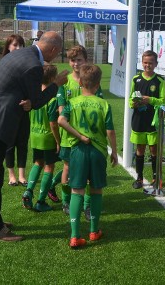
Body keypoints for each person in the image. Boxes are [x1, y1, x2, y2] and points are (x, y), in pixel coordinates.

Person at [0, 31, 69, 241]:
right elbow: (38, 100)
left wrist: (29, 101)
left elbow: (24, 93)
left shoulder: (20, 54)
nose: (57, 56)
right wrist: (57, 84)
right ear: (52, 49)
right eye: (58, 52)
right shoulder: (33, 65)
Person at [58, 64, 118, 249]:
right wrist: (114, 151)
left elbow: (61, 120)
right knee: (96, 190)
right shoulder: (103, 104)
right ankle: (93, 231)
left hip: (78, 151)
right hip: (98, 151)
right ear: (98, 84)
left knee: (77, 190)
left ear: (81, 82)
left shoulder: (73, 102)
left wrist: (78, 136)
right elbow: (110, 131)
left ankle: (75, 236)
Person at [55, 45, 93, 215]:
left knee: (86, 170)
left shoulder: (91, 80)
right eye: (73, 60)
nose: (76, 63)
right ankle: (66, 201)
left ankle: (87, 204)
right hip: (69, 134)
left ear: (85, 60)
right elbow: (61, 110)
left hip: (89, 134)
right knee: (68, 168)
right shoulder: (64, 82)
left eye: (79, 60)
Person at [22, 64, 61, 212]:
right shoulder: (51, 98)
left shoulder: (35, 95)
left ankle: (28, 191)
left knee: (38, 163)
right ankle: (41, 201)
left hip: (35, 135)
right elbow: (53, 123)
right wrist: (58, 141)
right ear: (52, 78)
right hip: (47, 137)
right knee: (49, 167)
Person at [129, 50, 165, 189]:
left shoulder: (160, 80)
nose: (147, 65)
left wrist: (149, 100)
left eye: (150, 63)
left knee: (153, 150)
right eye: (145, 62)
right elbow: (130, 99)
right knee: (140, 149)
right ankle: (139, 177)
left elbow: (163, 102)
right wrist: (134, 103)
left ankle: (156, 177)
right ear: (142, 62)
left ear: (156, 64)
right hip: (138, 120)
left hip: (153, 121)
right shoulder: (136, 79)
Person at [1, 34, 28, 186]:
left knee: (22, 142)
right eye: (15, 45)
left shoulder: (28, 63)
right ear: (8, 47)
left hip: (24, 109)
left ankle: (22, 175)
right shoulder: (4, 64)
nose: (18, 48)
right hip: (8, 111)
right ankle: (11, 175)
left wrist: (29, 100)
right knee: (9, 143)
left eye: (21, 45)